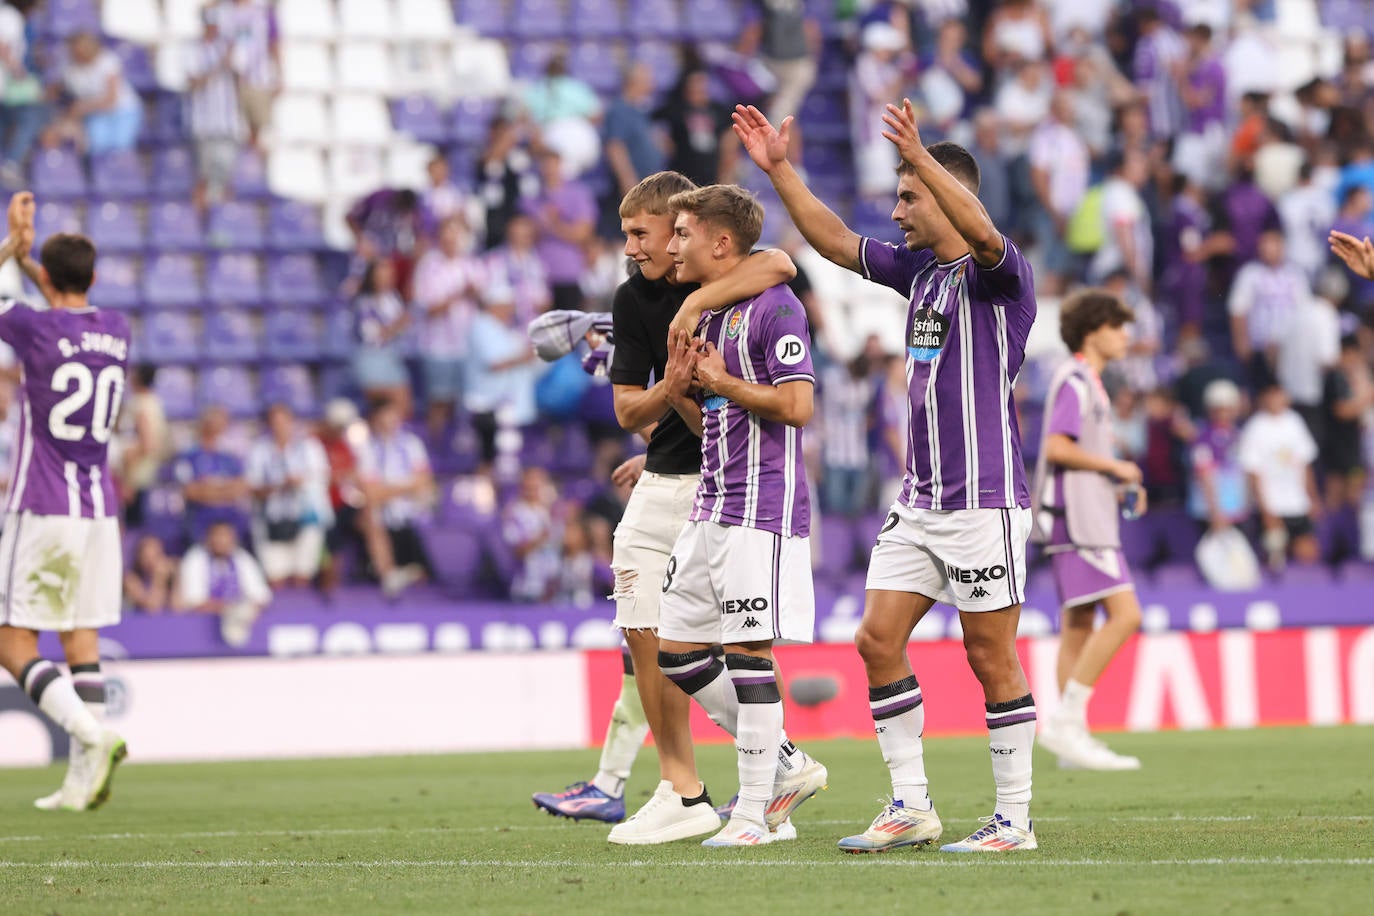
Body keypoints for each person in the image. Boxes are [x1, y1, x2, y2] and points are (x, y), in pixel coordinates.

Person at [722, 101, 1039, 853]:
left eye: (909, 196)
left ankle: (1015, 821)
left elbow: (985, 231)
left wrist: (922, 155)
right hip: (920, 502)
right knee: (876, 640)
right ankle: (911, 806)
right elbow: (833, 243)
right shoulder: (919, 273)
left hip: (984, 503)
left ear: (948, 193)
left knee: (989, 655)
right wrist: (779, 171)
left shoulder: (1002, 276)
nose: (896, 211)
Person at [532, 171, 800, 840]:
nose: (637, 248)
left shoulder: (718, 285)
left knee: (690, 641)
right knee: (654, 637)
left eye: (645, 234)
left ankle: (699, 786)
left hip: (714, 484)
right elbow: (631, 408)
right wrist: (673, 391)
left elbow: (781, 260)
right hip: (668, 474)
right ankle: (741, 775)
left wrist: (690, 318)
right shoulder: (634, 299)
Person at [655, 184, 826, 847]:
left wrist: (721, 382)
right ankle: (785, 764)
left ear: (721, 243)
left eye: (683, 233)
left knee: (748, 653)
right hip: (712, 504)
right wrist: (679, 393)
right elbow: (716, 422)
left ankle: (754, 816)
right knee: (677, 650)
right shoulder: (715, 316)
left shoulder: (776, 308)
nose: (673, 246)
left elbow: (796, 408)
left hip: (761, 504)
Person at [0, 192, 127, 811]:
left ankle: (91, 734)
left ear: (44, 278)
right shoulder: (117, 329)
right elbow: (58, 297)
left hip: (43, 506)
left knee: (11, 643)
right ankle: (81, 783)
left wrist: (10, 246)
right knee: (82, 644)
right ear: (95, 278)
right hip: (98, 511)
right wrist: (33, 260)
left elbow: (22, 305)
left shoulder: (33, 326)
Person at [1031, 289, 1144, 771]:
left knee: (1078, 625)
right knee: (1126, 615)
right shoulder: (1074, 379)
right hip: (1080, 521)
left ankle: (1070, 739)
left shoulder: (1090, 382)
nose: (1125, 335)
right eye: (1118, 326)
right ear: (1093, 331)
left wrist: (1114, 481)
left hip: (1084, 514)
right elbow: (1056, 447)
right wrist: (1116, 468)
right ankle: (1066, 722)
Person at [412, 216, 484, 442]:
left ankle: (461, 448)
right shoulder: (428, 266)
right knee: (439, 400)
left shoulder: (473, 265)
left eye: (456, 234)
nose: (452, 239)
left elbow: (488, 304)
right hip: (438, 346)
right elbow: (429, 308)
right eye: (447, 233)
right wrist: (459, 294)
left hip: (468, 346)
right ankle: (435, 445)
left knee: (466, 402)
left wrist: (475, 294)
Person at [245, 402, 332, 589]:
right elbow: (252, 487)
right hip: (271, 519)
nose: (279, 426)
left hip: (307, 517)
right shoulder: (259, 450)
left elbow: (321, 478)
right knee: (275, 577)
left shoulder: (309, 447)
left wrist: (299, 483)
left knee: (303, 573)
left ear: (292, 421)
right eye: (274, 421)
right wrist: (278, 487)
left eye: (283, 421)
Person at [355, 398, 435, 599]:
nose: (390, 421)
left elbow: (424, 482)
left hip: (415, 507)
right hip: (384, 510)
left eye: (393, 416)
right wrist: (406, 487)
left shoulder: (412, 444)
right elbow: (370, 492)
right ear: (375, 420)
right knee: (369, 514)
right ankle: (388, 575)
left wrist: (388, 490)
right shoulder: (368, 449)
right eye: (384, 417)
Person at [1238, 383, 1322, 570]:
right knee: (1275, 555)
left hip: (1297, 502)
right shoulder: (1256, 427)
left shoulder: (1295, 421)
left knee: (1308, 553)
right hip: (1272, 504)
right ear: (1264, 398)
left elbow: (1305, 463)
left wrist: (1312, 497)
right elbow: (1253, 472)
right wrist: (1265, 508)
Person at [44, 31, 142, 156]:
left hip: (123, 110)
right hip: (96, 113)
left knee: (120, 147)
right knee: (96, 146)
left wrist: (82, 107)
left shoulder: (107, 60)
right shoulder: (68, 67)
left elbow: (112, 99)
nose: (76, 53)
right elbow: (58, 89)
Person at [184, 8, 244, 210]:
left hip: (228, 123)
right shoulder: (193, 50)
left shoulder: (229, 48)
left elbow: (242, 78)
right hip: (203, 124)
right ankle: (200, 221)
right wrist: (220, 65)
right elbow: (193, 81)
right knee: (203, 176)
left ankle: (225, 219)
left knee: (226, 177)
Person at [178, 519, 272, 647]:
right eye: (218, 536)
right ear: (208, 539)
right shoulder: (195, 559)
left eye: (226, 536)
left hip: (240, 624)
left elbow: (262, 597)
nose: (221, 541)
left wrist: (244, 609)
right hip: (198, 630)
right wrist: (229, 609)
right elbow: (194, 602)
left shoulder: (242, 558)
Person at [173, 404, 250, 549]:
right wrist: (223, 489)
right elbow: (190, 491)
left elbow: (240, 488)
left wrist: (208, 488)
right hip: (199, 527)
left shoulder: (229, 457)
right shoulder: (189, 455)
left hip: (230, 528)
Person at [350, 258, 411, 416]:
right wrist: (398, 324)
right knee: (383, 407)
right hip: (372, 359)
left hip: (392, 357)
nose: (385, 280)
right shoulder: (364, 303)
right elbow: (372, 335)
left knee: (403, 405)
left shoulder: (393, 299)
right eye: (381, 275)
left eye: (388, 275)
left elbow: (403, 329)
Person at [123, 533, 178, 614]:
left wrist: (176, 579)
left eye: (155, 556)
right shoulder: (131, 580)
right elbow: (152, 608)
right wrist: (159, 579)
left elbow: (178, 608)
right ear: (139, 558)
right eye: (147, 557)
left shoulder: (169, 575)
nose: (151, 562)